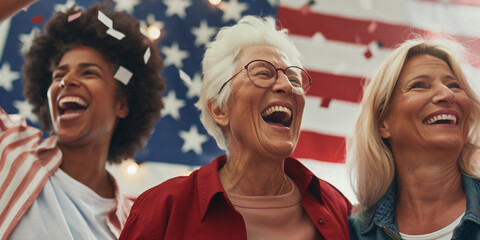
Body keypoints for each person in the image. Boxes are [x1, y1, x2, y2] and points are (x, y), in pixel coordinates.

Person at [119, 15, 352, 240]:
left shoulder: (337, 208)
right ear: (220, 109)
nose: (286, 86)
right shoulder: (162, 211)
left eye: (293, 79)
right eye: (263, 73)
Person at [0, 3, 165, 239]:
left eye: (89, 72)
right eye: (58, 75)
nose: (66, 81)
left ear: (122, 104)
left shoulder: (138, 221)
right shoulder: (10, 147)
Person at [347, 38, 480, 239]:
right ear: (383, 123)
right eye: (419, 86)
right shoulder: (354, 232)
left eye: (454, 85)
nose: (447, 94)